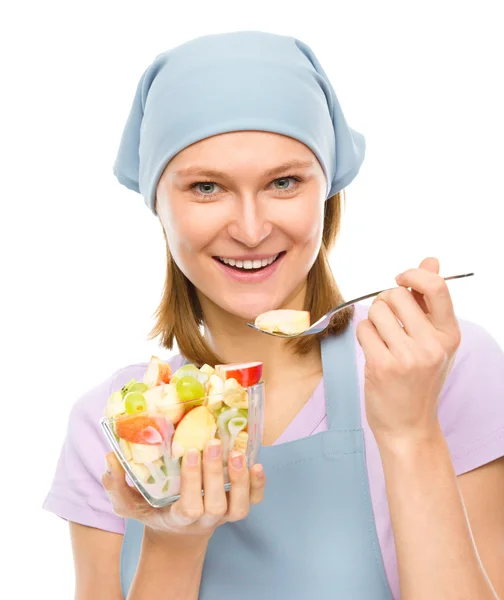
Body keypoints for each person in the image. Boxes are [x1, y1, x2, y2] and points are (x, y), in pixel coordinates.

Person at [43, 31, 504, 600]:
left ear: (326, 194)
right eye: (207, 188)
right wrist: (174, 543)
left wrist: (411, 435)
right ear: (158, 205)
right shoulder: (112, 424)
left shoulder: (439, 367)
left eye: (283, 182)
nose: (252, 229)